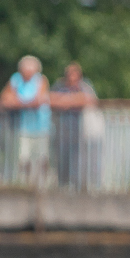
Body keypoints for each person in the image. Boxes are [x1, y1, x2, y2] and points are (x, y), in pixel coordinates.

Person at [1, 56, 52, 185]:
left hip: (41, 127)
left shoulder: (41, 80)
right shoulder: (16, 79)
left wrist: (19, 102)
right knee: (23, 158)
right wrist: (26, 103)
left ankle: (40, 183)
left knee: (41, 157)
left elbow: (38, 100)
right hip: (23, 127)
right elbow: (5, 99)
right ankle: (25, 183)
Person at [50, 61, 98, 189]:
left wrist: (67, 101)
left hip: (79, 129)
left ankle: (78, 185)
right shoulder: (59, 86)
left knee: (79, 158)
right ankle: (62, 184)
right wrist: (74, 100)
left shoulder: (84, 86)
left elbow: (89, 100)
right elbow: (51, 100)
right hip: (62, 129)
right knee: (61, 157)